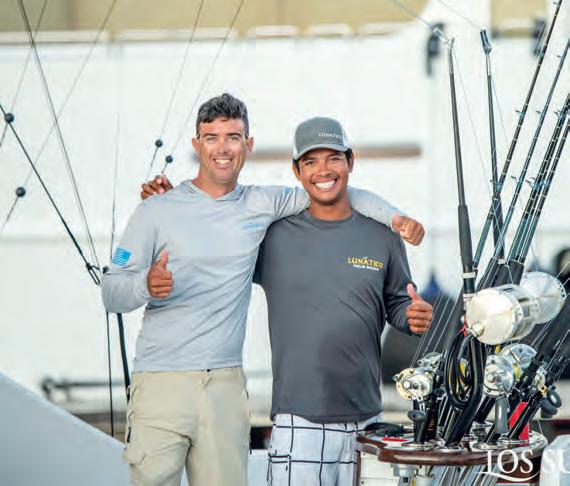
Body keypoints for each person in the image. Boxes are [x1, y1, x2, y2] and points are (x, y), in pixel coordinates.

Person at [104, 93, 423, 486]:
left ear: (248, 144)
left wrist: (395, 218)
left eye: (233, 137)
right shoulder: (157, 208)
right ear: (196, 145)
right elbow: (111, 292)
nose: (223, 148)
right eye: (212, 138)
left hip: (225, 386)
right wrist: (145, 284)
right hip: (160, 381)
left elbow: (334, 190)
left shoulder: (264, 205)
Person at [252, 117, 432, 485]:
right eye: (311, 161)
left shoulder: (383, 234)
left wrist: (413, 316)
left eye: (333, 158)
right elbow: (216, 253)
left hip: (367, 419)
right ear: (296, 170)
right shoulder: (273, 236)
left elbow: (398, 303)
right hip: (298, 421)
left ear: (350, 162)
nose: (323, 170)